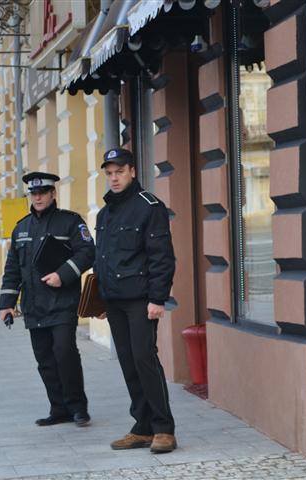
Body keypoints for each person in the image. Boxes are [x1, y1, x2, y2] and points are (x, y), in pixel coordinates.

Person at [94, 148, 177, 453]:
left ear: (131, 171)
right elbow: (102, 259)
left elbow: (162, 258)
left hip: (141, 300)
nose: (113, 178)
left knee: (144, 357)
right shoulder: (105, 213)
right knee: (128, 362)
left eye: (119, 172)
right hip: (115, 301)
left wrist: (158, 298)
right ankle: (142, 427)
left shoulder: (149, 206)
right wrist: (101, 299)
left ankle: (163, 428)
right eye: (109, 173)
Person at [0, 172, 95, 427]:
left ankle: (78, 407)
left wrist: (62, 275)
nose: (38, 197)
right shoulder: (21, 228)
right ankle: (58, 408)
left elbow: (88, 252)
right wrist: (7, 303)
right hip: (34, 306)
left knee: (65, 353)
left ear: (53, 194)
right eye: (34, 193)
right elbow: (12, 269)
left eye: (43, 192)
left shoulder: (71, 222)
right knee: (45, 360)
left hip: (63, 302)